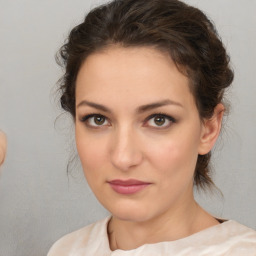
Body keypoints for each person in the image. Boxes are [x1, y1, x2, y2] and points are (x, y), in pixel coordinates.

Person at [48, 0, 256, 254]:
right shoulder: (66, 250)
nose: (123, 157)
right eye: (98, 119)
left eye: (159, 120)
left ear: (208, 128)